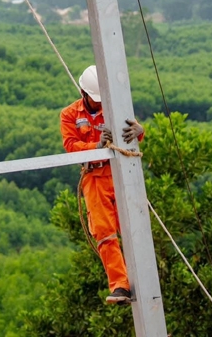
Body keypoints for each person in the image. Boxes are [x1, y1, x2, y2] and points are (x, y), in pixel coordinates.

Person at [60, 65, 145, 304]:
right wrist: (95, 147)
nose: (98, 104)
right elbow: (70, 147)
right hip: (94, 178)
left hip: (118, 175)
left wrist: (140, 131)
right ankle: (120, 285)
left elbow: (132, 133)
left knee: (131, 228)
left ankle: (142, 277)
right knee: (105, 233)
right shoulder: (70, 115)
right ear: (83, 92)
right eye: (95, 100)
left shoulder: (114, 109)